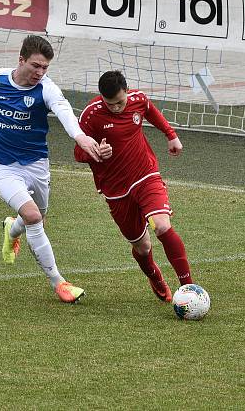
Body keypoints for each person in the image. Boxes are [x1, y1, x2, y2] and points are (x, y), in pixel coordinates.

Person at [0, 35, 102, 303]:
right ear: (21, 60)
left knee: (35, 218)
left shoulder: (47, 90)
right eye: (36, 66)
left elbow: (65, 114)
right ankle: (59, 283)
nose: (40, 72)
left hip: (36, 165)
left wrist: (81, 138)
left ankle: (11, 229)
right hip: (0, 166)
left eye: (45, 68)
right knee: (33, 217)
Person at [74, 70, 194, 303]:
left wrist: (171, 135)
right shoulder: (91, 115)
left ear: (126, 92)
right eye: (111, 105)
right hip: (115, 188)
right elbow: (78, 152)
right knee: (142, 246)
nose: (117, 108)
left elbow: (150, 111)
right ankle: (154, 276)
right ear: (101, 98)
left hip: (146, 174)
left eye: (120, 102)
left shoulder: (137, 99)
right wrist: (96, 151)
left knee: (161, 226)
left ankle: (189, 289)